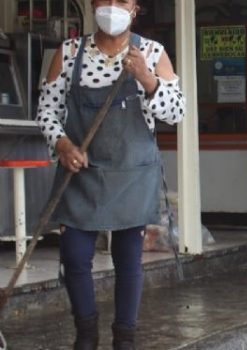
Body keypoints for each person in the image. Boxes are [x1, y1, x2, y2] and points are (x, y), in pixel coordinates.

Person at [35, 0, 185, 348]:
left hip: (132, 172)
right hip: (82, 171)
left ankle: (124, 338)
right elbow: (47, 111)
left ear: (135, 9)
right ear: (92, 5)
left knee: (128, 257)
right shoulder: (69, 52)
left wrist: (147, 79)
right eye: (106, 0)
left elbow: (176, 112)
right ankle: (86, 334)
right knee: (74, 254)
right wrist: (62, 145)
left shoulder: (152, 51)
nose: (113, 7)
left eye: (123, 1)